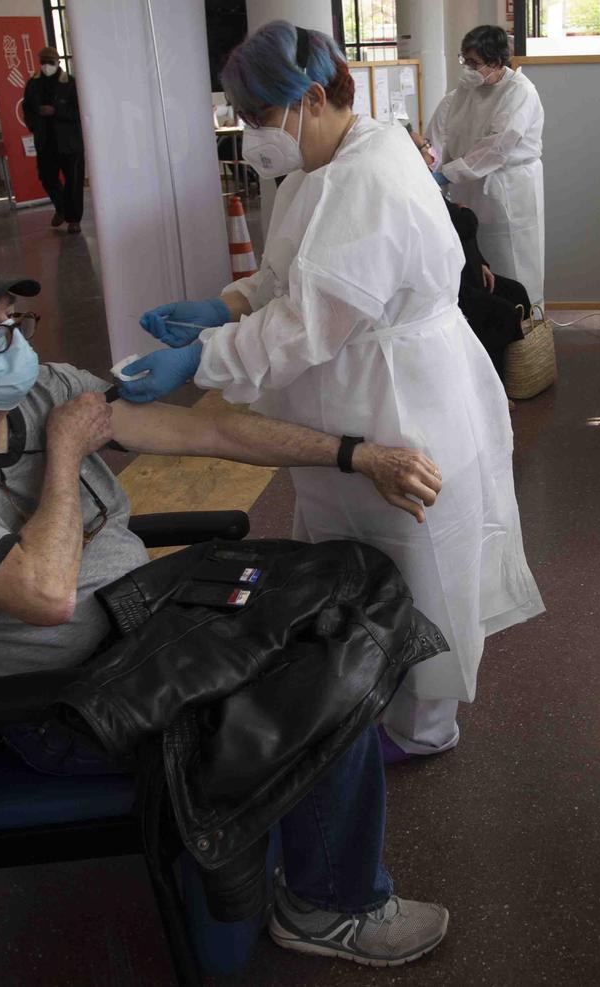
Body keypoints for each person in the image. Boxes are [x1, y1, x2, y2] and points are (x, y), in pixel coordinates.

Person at [0, 254, 452, 967]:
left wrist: (355, 455)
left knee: (348, 578)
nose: (13, 346)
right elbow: (43, 595)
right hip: (74, 702)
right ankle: (328, 904)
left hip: (154, 624)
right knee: (321, 672)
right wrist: (65, 456)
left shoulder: (47, 389)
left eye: (11, 321)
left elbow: (214, 434)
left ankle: (295, 859)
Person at [126, 23, 545, 760]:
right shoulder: (323, 167)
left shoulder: (365, 177)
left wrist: (198, 359)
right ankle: (368, 697)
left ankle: (423, 730)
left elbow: (307, 324)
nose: (253, 136)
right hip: (354, 399)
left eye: (258, 118)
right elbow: (292, 277)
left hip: (400, 398)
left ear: (312, 97)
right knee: (354, 563)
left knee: (419, 570)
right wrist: (225, 306)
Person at [425, 25, 546, 306]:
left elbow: (498, 145)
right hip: (468, 188)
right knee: (475, 260)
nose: (467, 69)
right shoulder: (465, 92)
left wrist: (446, 174)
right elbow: (441, 132)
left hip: (508, 190)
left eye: (474, 63)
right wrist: (430, 167)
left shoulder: (519, 92)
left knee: (512, 263)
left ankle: (524, 331)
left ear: (496, 62)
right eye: (464, 60)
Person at [415, 129, 528, 374]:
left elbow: (464, 231)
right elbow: (462, 225)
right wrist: (462, 213)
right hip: (454, 286)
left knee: (517, 292)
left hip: (473, 272)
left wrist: (482, 263)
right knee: (502, 313)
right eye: (424, 147)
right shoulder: (417, 192)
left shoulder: (429, 187)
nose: (430, 150)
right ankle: (494, 384)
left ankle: (522, 369)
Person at [21, 47, 84, 233]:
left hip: (69, 142)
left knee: (74, 181)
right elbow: (27, 109)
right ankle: (62, 208)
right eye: (43, 61)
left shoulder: (70, 83)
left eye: (50, 61)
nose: (46, 65)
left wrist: (56, 111)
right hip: (45, 140)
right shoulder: (33, 83)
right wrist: (34, 125)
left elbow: (79, 111)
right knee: (47, 178)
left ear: (58, 62)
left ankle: (74, 220)